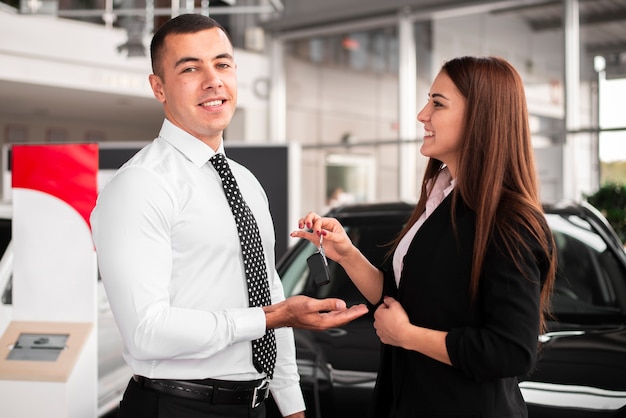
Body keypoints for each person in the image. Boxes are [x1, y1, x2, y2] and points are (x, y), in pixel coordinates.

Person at [90, 13, 367, 418]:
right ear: (159, 87)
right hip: (175, 407)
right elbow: (146, 332)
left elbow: (268, 287)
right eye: (190, 68)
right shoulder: (140, 185)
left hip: (253, 406)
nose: (213, 80)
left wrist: (291, 404)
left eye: (222, 64)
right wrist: (271, 318)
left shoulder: (246, 183)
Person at [290, 56, 557, 417]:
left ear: (480, 116)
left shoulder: (509, 222)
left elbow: (511, 351)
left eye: (437, 103)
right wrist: (347, 254)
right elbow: (400, 299)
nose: (421, 115)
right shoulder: (441, 199)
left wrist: (407, 336)